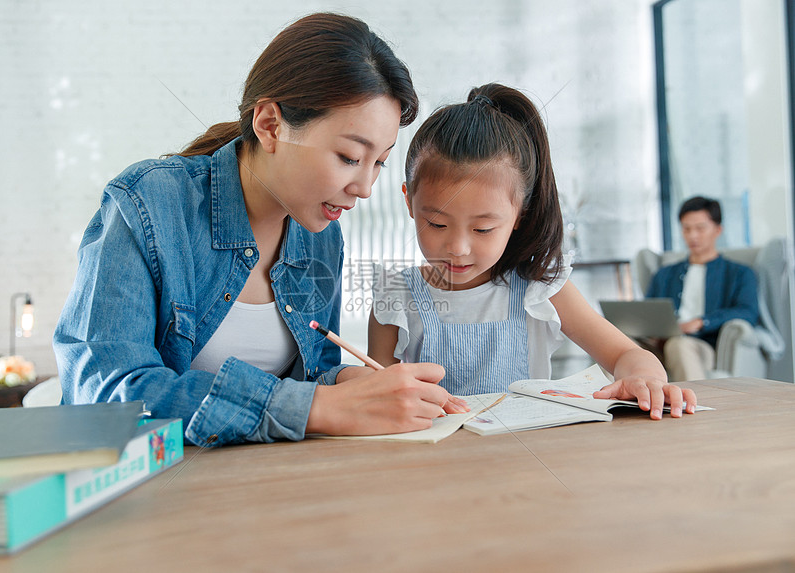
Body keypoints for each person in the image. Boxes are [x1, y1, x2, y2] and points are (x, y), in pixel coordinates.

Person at [54, 13, 470, 448]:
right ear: (270, 125)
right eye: (349, 157)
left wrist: (363, 385)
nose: (365, 188)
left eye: (379, 162)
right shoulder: (150, 205)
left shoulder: (320, 233)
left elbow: (310, 370)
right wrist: (322, 407)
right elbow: (105, 396)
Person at [366, 83, 697, 419]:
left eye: (483, 229)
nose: (458, 248)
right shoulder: (395, 296)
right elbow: (379, 396)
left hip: (530, 461)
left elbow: (626, 354)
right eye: (437, 224)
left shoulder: (540, 288)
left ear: (519, 216)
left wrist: (646, 379)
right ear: (409, 201)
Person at [646, 196, 759, 381]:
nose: (692, 236)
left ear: (718, 230)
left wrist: (701, 322)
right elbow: (648, 312)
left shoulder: (739, 273)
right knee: (618, 345)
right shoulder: (664, 274)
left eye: (700, 228)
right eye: (686, 229)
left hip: (701, 346)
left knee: (678, 344)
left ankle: (696, 407)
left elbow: (748, 312)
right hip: (660, 344)